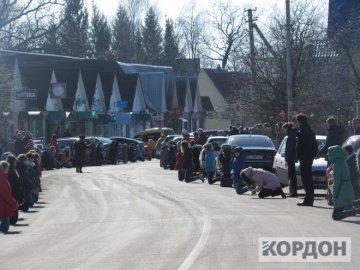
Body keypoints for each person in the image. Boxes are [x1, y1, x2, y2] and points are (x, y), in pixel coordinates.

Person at [327, 145, 359, 220]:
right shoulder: (342, 161)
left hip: (343, 190)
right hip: (346, 188)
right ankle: (356, 210)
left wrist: (334, 196)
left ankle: (356, 211)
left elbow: (337, 182)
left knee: (336, 216)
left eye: (329, 153)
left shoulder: (338, 164)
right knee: (337, 214)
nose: (328, 155)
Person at [296, 113, 318, 206]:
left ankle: (308, 199)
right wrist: (312, 155)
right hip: (308, 158)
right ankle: (309, 198)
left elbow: (299, 146)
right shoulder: (310, 131)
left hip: (304, 158)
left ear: (299, 121)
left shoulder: (302, 131)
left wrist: (299, 156)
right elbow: (315, 145)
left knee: (306, 179)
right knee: (308, 179)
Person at [6, 155, 24, 225]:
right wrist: (20, 196)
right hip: (14, 193)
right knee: (14, 212)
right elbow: (15, 185)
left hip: (12, 192)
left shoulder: (10, 171)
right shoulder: (12, 171)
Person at [0, 161, 17, 233]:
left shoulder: (3, 177)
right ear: (4, 168)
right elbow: (5, 194)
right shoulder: (2, 178)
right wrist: (13, 203)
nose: (8, 169)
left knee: (5, 226)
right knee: (5, 227)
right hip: (3, 204)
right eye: (8, 167)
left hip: (4, 203)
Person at [282, 122, 298, 197]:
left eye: (284, 129)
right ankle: (293, 191)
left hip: (291, 158)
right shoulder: (292, 135)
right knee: (292, 175)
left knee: (291, 175)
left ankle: (293, 192)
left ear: (287, 128)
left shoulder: (291, 136)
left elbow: (289, 149)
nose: (284, 131)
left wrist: (287, 160)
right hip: (292, 158)